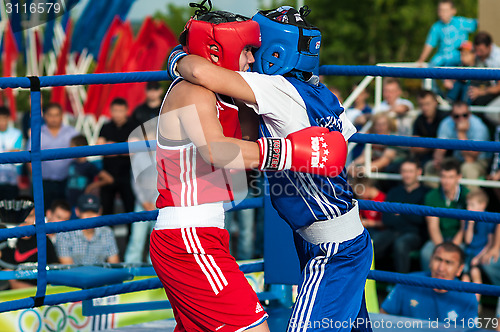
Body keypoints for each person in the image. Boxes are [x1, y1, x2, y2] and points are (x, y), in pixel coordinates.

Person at [172, 5, 372, 331]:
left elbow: (199, 72)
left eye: (253, 47)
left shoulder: (276, 89)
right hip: (337, 236)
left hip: (334, 251)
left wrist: (178, 54)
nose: (250, 56)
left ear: (274, 51)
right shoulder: (321, 91)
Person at [381, 242, 478, 322]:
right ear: (430, 261)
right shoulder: (408, 282)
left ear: (459, 269)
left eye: (448, 263)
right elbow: (382, 317)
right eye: (438, 259)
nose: (441, 268)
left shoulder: (468, 297)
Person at [374, 159, 429, 273]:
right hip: (393, 231)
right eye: (404, 171)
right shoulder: (394, 192)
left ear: (418, 172)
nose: (407, 175)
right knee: (372, 244)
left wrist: (399, 214)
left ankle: (400, 285)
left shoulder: (426, 193)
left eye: (410, 171)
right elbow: (386, 219)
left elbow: (421, 221)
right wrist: (410, 213)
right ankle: (364, 280)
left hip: (415, 234)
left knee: (401, 244)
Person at [27, 103, 79, 210]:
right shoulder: (37, 133)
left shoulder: (72, 132)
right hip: (43, 183)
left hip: (67, 182)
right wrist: (37, 179)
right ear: (45, 116)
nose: (54, 118)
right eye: (50, 115)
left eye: (56, 115)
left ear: (62, 116)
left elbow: (81, 154)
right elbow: (29, 158)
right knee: (42, 214)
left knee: (65, 216)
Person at [420, 158, 468, 270]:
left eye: (450, 177)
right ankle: (428, 286)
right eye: (443, 176)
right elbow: (433, 227)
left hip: (460, 240)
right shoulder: (431, 196)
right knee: (426, 253)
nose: (446, 181)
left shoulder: (466, 196)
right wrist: (442, 249)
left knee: (463, 257)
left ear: (458, 177)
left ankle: (456, 287)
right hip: (438, 239)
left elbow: (463, 228)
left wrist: (451, 249)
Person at [2, 199, 60, 289]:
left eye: (30, 215)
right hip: (20, 296)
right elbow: (11, 282)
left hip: (45, 294)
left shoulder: (43, 239)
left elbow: (56, 269)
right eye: (22, 216)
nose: (25, 220)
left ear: (34, 218)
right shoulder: (7, 241)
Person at [434, 101, 490, 183]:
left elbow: (470, 159)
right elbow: (440, 149)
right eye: (456, 116)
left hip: (480, 161)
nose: (461, 119)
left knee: (467, 168)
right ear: (451, 116)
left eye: (465, 115)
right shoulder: (446, 123)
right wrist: (438, 161)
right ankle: (440, 194)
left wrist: (461, 133)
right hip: (457, 159)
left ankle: (472, 195)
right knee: (432, 167)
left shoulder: (479, 127)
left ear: (470, 114)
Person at [98, 98, 136, 216]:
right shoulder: (105, 126)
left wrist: (111, 146)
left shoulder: (134, 125)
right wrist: (124, 147)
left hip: (128, 175)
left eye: (120, 110)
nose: (118, 114)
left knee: (130, 209)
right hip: (107, 175)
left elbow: (133, 150)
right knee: (106, 210)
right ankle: (106, 235)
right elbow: (100, 148)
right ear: (110, 111)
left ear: (126, 111)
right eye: (115, 110)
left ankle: (130, 234)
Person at [55, 194, 120, 265]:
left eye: (93, 212)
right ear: (77, 211)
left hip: (101, 275)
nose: (90, 216)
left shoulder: (107, 232)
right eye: (85, 212)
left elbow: (114, 264)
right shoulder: (65, 234)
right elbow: (68, 267)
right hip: (75, 276)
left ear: (100, 211)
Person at [416, 0, 477, 67]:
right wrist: (421, 60)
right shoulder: (436, 27)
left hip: (460, 60)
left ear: (453, 11)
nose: (442, 13)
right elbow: (429, 44)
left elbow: (481, 24)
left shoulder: (461, 22)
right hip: (443, 60)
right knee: (431, 67)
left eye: (445, 11)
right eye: (440, 10)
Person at [460, 189, 494, 301]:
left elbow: (490, 243)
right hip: (468, 253)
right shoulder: (468, 219)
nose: (468, 208)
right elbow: (468, 241)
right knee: (464, 277)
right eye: (468, 205)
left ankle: (476, 304)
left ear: (482, 205)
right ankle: (465, 303)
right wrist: (470, 225)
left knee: (475, 273)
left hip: (479, 253)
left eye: (472, 205)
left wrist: (478, 257)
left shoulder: (489, 219)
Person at [66, 135, 114, 209]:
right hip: (71, 201)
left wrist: (91, 186)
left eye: (72, 146)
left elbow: (109, 179)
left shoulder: (89, 165)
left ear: (80, 147)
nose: (69, 149)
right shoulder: (73, 163)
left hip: (83, 201)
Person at [412, 90, 447, 168]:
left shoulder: (445, 118)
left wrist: (424, 145)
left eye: (427, 104)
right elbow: (414, 147)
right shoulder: (419, 120)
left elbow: (443, 146)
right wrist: (434, 145)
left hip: (445, 157)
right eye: (421, 104)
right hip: (423, 158)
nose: (425, 108)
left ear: (435, 102)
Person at [468, 32, 500, 107]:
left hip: (495, 93)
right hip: (481, 87)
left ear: (489, 47)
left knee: (478, 101)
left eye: (481, 51)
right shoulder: (477, 54)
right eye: (476, 51)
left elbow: (499, 87)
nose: (478, 54)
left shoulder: (498, 59)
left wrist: (480, 91)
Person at [0, 106, 22, 200]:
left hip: (11, 180)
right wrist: (10, 152)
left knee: (10, 211)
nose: (1, 122)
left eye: (4, 119)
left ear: (8, 119)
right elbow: (14, 153)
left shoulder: (16, 133)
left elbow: (18, 158)